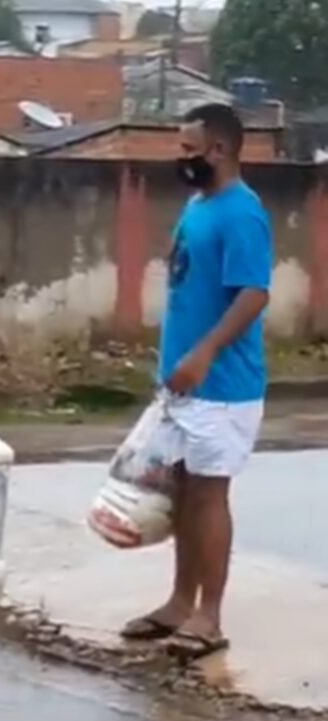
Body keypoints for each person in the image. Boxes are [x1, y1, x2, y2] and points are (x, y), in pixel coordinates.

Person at [121, 104, 272, 659]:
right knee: (183, 495)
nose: (181, 158)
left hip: (224, 387)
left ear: (221, 150)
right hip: (183, 384)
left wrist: (205, 352)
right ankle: (180, 603)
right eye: (179, 148)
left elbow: (254, 293)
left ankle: (209, 617)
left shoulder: (242, 214)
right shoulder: (197, 205)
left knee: (210, 497)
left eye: (190, 149)